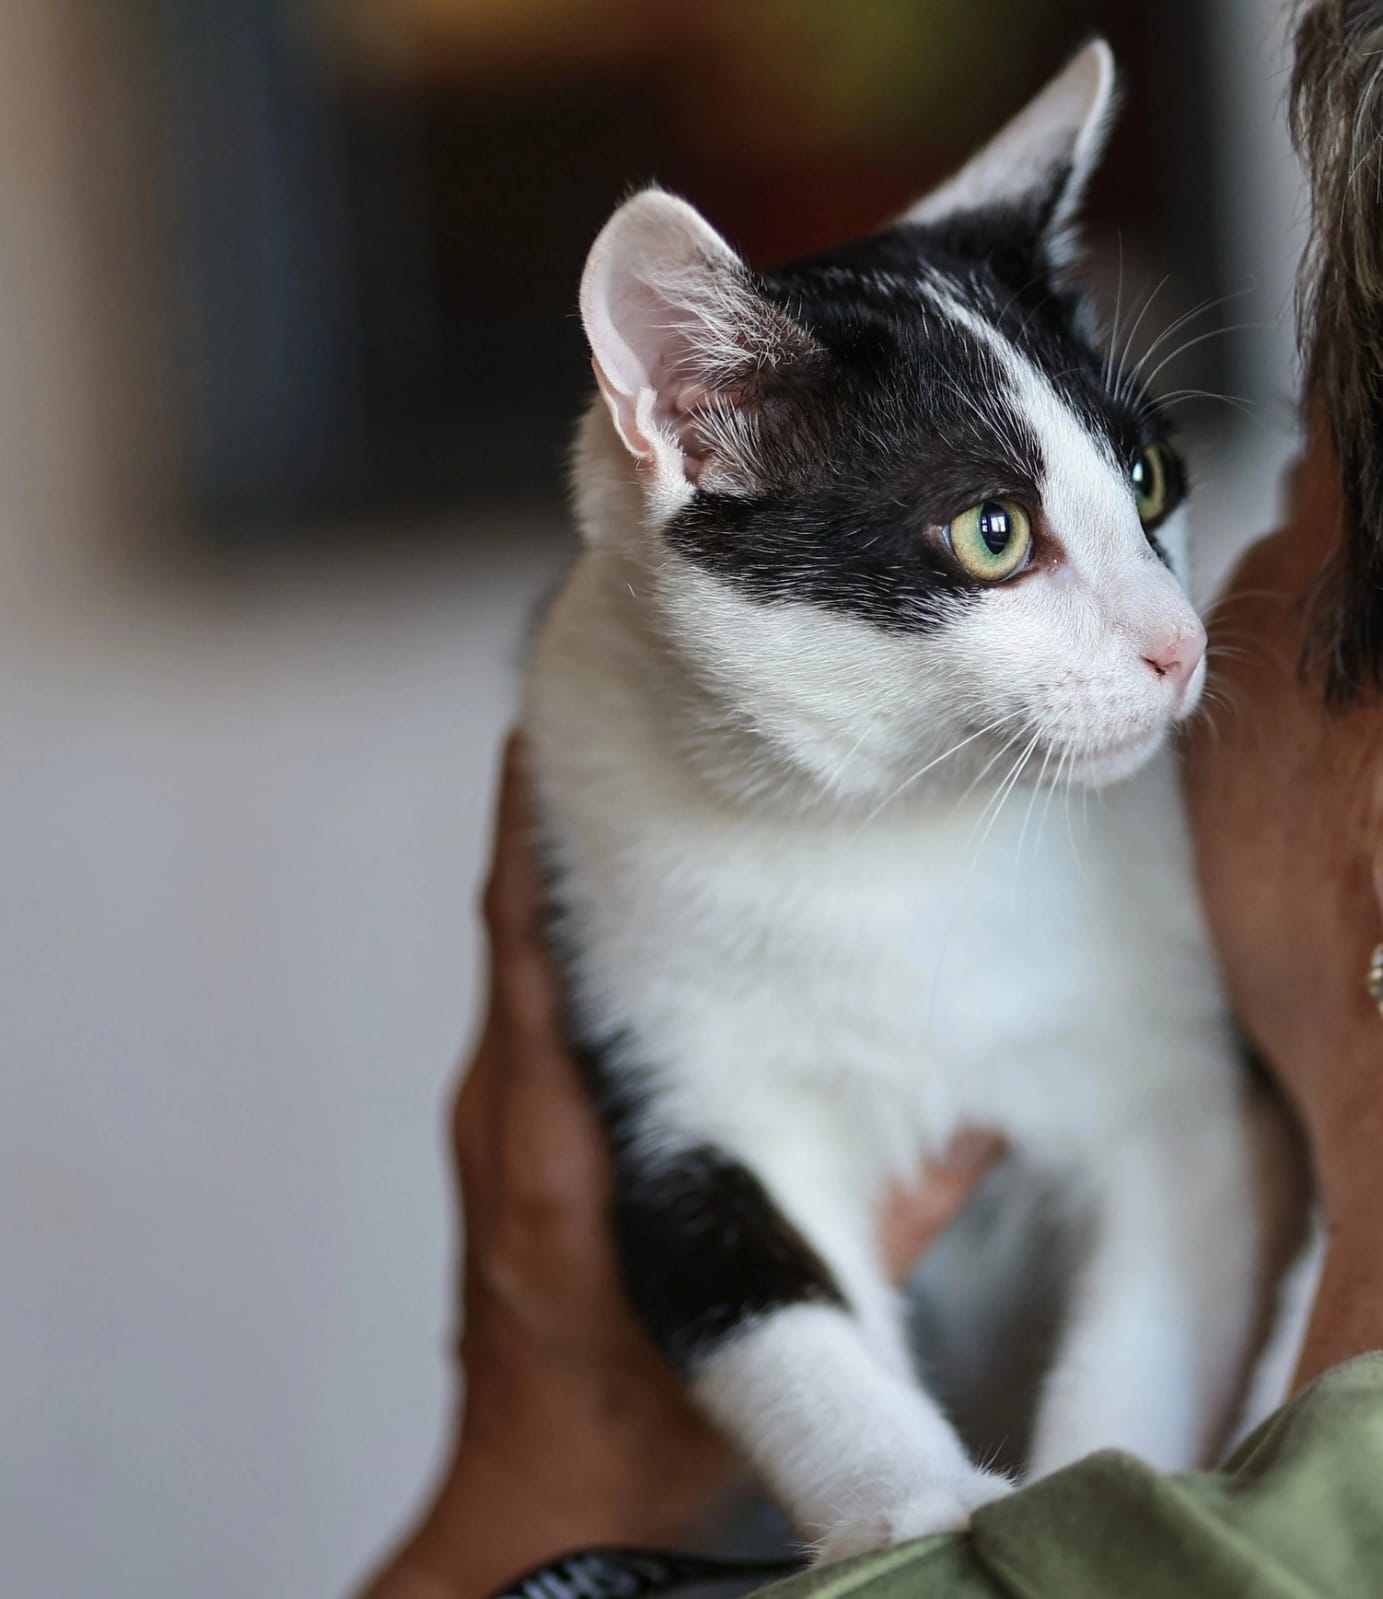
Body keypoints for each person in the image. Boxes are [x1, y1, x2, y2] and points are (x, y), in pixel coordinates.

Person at [360, 3, 1383, 1593]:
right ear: (695, 421)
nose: (1172, 637)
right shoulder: (607, 769)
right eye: (1000, 538)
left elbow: (1183, 1146)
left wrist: (1074, 1528)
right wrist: (894, 1505)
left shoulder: (1112, 794)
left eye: (1143, 491)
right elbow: (723, 1219)